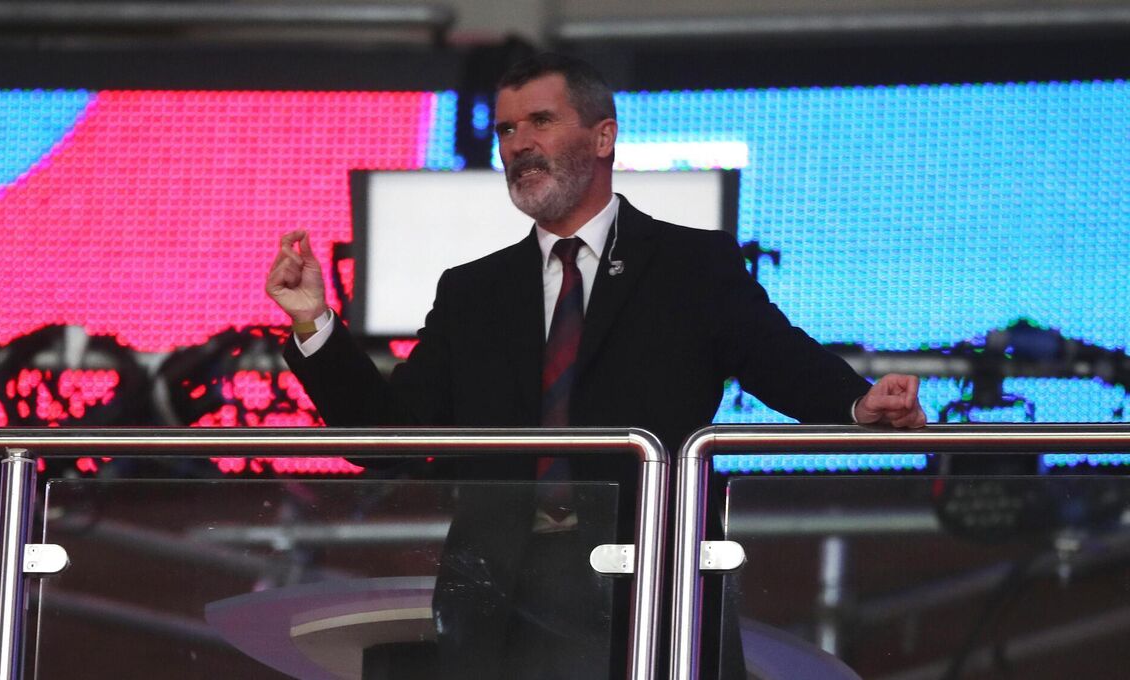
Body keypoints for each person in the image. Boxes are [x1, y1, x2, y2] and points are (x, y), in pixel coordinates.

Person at [267, 53, 926, 678]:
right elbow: (389, 437)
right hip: (497, 597)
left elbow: (778, 359)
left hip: (650, 588)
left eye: (540, 121)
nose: (517, 143)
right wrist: (314, 324)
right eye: (505, 129)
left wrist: (858, 403)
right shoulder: (474, 291)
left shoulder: (690, 266)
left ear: (603, 137)